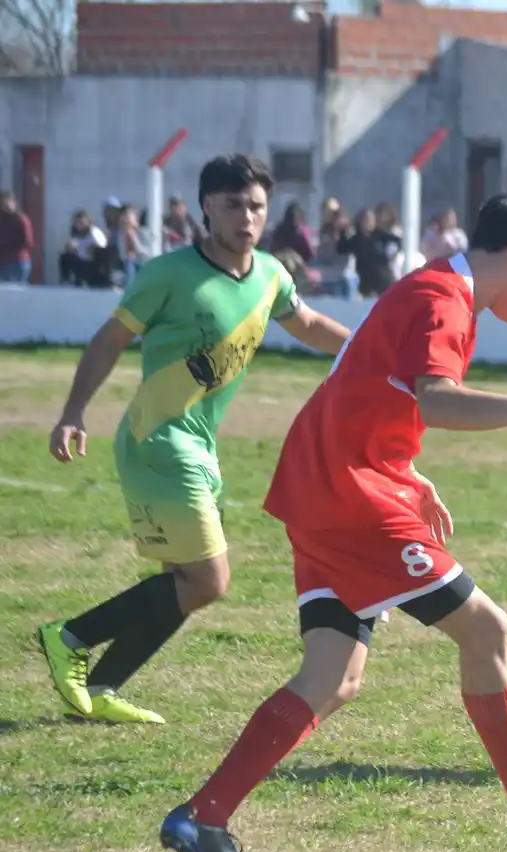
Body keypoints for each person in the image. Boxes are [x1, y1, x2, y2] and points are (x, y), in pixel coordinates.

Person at [161, 194, 507, 852]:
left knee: (334, 677)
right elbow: (435, 399)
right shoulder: (445, 300)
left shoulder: (432, 288)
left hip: (325, 486)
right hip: (350, 496)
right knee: (486, 629)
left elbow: (363, 388)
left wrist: (407, 473)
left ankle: (203, 817)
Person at [38, 155, 350, 726]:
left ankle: (102, 688)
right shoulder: (167, 273)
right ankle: (71, 637)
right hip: (157, 441)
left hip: (202, 446)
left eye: (256, 206)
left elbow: (307, 325)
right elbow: (109, 341)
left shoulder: (271, 275)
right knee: (208, 581)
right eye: (233, 205)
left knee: (178, 582)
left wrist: (372, 349)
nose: (246, 218)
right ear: (207, 206)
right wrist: (74, 410)